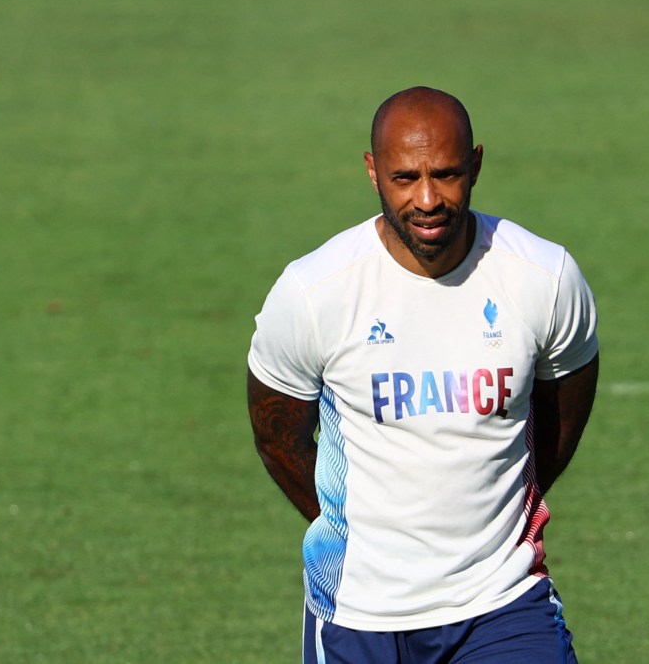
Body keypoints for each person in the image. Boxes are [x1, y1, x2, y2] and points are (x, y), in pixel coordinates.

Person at [247, 86, 599, 664]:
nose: (428, 199)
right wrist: (368, 532)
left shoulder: (544, 278)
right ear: (373, 171)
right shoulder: (314, 293)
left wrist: (492, 520)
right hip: (359, 614)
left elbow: (563, 415)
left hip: (502, 603)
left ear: (477, 165)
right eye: (405, 177)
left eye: (447, 174)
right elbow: (276, 438)